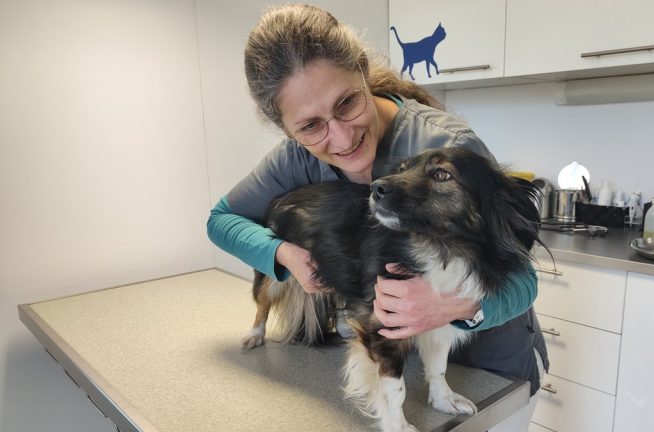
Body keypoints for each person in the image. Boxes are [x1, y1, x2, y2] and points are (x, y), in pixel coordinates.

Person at [207, 4, 548, 430]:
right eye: (310, 126)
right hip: (397, 362)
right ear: (287, 130)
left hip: (487, 370)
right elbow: (221, 220)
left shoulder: (445, 145)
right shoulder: (295, 157)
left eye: (347, 102)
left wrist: (455, 305)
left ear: (363, 73)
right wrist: (284, 255)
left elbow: (524, 279)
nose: (342, 137)